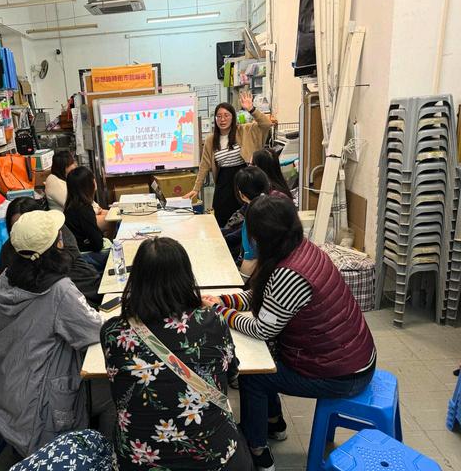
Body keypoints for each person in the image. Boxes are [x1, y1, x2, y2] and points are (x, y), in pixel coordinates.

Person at [202, 196, 376, 471]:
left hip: (343, 374)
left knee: (254, 376)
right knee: (266, 360)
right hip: (352, 357)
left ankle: (258, 452)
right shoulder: (300, 248)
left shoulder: (289, 273)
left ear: (261, 236)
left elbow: (263, 329)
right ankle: (274, 423)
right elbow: (264, 296)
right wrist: (225, 301)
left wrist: (221, 312)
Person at [101, 237, 252, 471]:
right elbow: (232, 374)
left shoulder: (113, 332)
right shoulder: (212, 321)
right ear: (186, 278)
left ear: (136, 279)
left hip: (137, 462)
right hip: (214, 460)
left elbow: (119, 390)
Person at [0, 210, 113, 457]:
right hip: (42, 408)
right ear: (57, 246)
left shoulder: (2, 283)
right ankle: (101, 458)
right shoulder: (58, 291)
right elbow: (94, 330)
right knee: (113, 390)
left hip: (5, 392)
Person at [183, 92, 271, 228]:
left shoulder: (245, 130)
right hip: (223, 185)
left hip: (244, 182)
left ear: (233, 117)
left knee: (247, 220)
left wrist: (251, 109)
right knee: (223, 221)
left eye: (226, 115)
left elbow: (266, 124)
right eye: (219, 116)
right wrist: (196, 188)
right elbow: (204, 165)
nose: (222, 119)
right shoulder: (211, 140)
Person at [0, 197, 102, 307]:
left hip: (82, 290)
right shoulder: (9, 249)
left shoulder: (55, 232)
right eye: (16, 227)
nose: (23, 233)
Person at [46, 151, 110, 231]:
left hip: (86, 213)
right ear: (63, 167)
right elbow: (73, 205)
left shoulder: (66, 178)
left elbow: (84, 199)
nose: (75, 165)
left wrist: (97, 208)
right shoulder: (53, 181)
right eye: (71, 163)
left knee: (113, 214)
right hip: (70, 223)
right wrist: (95, 210)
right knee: (111, 221)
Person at [64, 166, 111, 271]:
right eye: (93, 179)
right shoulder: (84, 210)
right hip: (84, 257)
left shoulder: (69, 207)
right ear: (89, 184)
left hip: (75, 255)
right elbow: (97, 245)